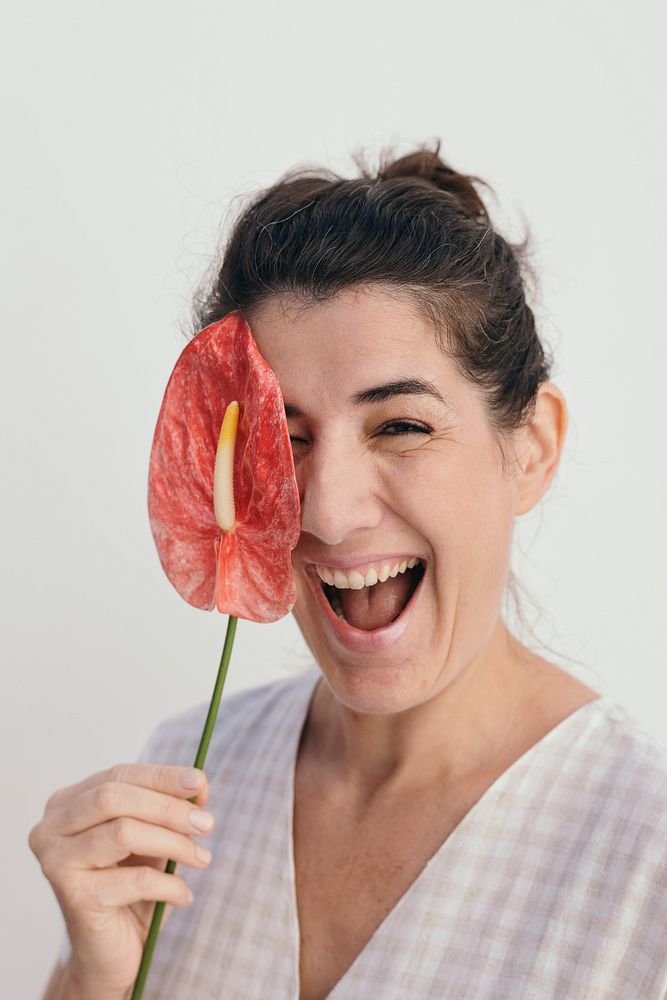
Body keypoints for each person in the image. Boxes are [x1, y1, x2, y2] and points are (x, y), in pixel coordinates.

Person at [30, 143, 667, 999]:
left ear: (531, 448)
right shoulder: (181, 783)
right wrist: (92, 982)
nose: (325, 511)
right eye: (283, 439)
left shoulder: (645, 861)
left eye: (400, 426)